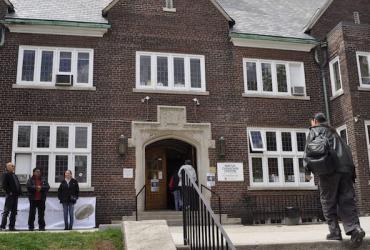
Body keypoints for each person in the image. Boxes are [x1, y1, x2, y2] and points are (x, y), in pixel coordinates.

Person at [304, 113, 365, 248]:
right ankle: (355, 229)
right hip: (347, 170)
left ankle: (335, 232)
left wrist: (307, 173)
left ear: (314, 121)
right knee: (347, 201)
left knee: (327, 201)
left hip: (329, 170)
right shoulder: (334, 132)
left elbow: (308, 152)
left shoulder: (314, 130)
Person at [0, 162, 22, 231]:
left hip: (15, 196)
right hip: (10, 196)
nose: (14, 167)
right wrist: (9, 192)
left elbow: (17, 184)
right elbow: (4, 186)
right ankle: (2, 226)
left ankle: (11, 226)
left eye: (14, 166)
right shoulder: (6, 175)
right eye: (12, 166)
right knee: (6, 211)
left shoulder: (14, 175)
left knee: (14, 212)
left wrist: (19, 192)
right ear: (8, 167)